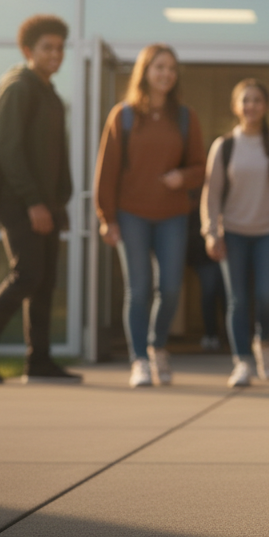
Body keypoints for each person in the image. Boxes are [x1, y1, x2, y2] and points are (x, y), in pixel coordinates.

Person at [0, 15, 81, 385]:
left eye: (60, 48)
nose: (56, 54)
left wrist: (58, 201)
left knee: (43, 281)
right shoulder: (18, 86)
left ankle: (39, 361)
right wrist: (33, 202)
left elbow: (54, 155)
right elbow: (8, 149)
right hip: (18, 200)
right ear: (28, 50)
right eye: (48, 47)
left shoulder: (48, 90)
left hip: (44, 203)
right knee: (27, 274)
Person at [94, 44, 206, 389]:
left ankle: (158, 346)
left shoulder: (185, 117)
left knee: (170, 287)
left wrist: (182, 178)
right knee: (138, 288)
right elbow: (106, 172)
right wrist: (106, 217)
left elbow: (202, 168)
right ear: (145, 72)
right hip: (131, 215)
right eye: (159, 67)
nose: (166, 74)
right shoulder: (123, 116)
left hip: (172, 214)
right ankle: (139, 358)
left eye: (171, 68)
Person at [203, 79, 269, 387]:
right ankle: (242, 360)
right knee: (238, 300)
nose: (251, 106)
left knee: (268, 296)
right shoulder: (225, 146)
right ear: (236, 106)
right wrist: (211, 232)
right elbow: (212, 192)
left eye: (257, 100)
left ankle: (264, 342)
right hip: (233, 232)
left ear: (267, 106)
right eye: (245, 100)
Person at [185, 201, 226, 352]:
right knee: (209, 293)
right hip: (202, 257)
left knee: (227, 295)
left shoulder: (225, 202)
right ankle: (211, 334)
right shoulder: (195, 206)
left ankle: (229, 336)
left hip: (225, 254)